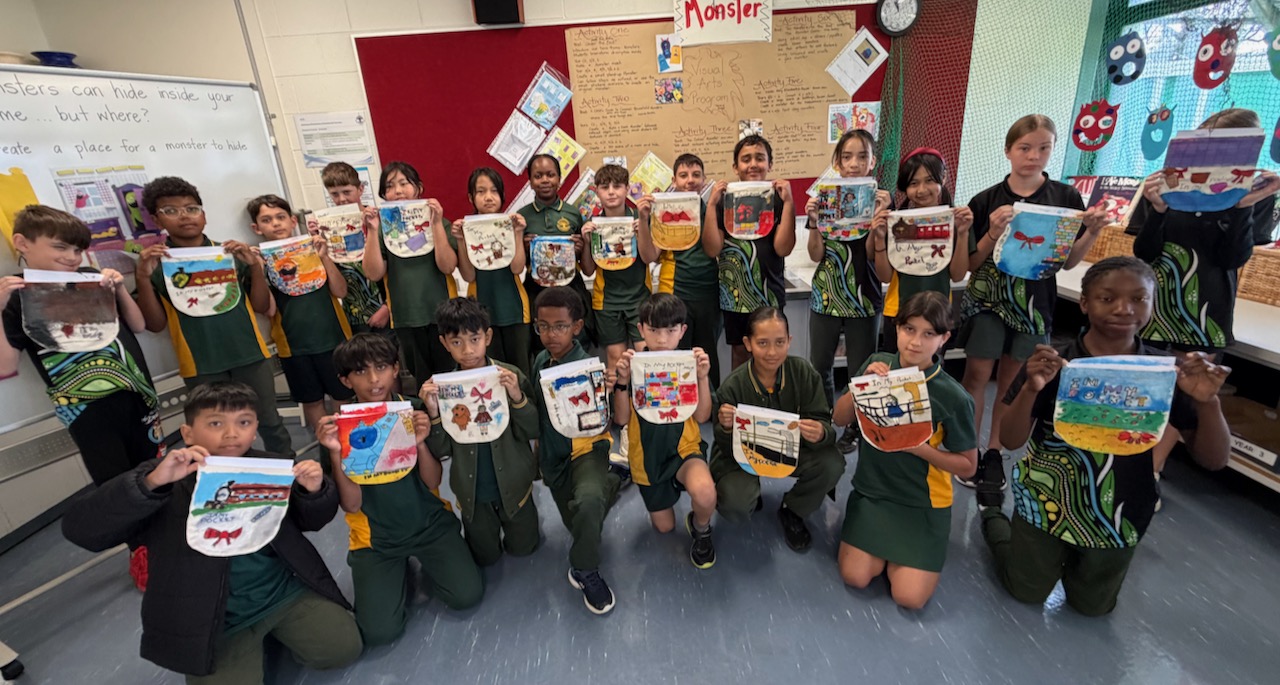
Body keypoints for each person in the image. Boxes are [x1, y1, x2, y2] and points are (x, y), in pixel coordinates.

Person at [61, 382, 362, 684]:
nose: (231, 434)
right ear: (188, 433)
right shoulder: (165, 478)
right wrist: (149, 484)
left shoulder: (271, 467)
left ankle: (279, 634)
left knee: (343, 648)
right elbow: (81, 530)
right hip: (214, 620)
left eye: (243, 422)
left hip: (280, 593)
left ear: (255, 428)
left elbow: (311, 521)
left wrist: (314, 491)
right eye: (216, 423)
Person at [984, 257, 1231, 615]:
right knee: (1024, 590)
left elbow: (1214, 460)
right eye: (1107, 298)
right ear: (1084, 303)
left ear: (1152, 304)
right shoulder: (1052, 363)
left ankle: (1062, 563)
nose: (1123, 309)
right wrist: (1031, 389)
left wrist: (1208, 403)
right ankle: (992, 518)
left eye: (1138, 299)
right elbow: (1010, 439)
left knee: (1094, 607)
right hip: (1046, 500)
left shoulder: (1166, 375)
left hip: (1120, 511)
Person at [1, 205, 164, 590]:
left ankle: (170, 536)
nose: (72, 257)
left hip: (137, 394)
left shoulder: (91, 279)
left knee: (156, 467)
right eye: (60, 247)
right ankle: (140, 549)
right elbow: (5, 366)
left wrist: (118, 288)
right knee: (116, 482)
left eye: (77, 250)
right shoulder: (17, 294)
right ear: (22, 243)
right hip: (85, 409)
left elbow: (138, 325)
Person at [955, 115, 1107, 493]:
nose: (1033, 156)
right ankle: (969, 449)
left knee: (1013, 380)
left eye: (1043, 148)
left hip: (1035, 305)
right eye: (1024, 148)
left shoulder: (1066, 199)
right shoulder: (986, 200)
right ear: (1008, 151)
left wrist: (1092, 231)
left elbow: (1067, 262)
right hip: (988, 300)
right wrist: (992, 232)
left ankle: (995, 452)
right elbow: (970, 264)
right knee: (976, 375)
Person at [315, 333, 482, 645]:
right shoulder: (339, 427)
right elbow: (351, 505)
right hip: (375, 541)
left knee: (467, 595)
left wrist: (419, 443)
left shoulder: (414, 410)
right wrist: (336, 453)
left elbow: (433, 482)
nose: (374, 380)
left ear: (395, 368)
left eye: (381, 367)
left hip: (429, 525)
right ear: (345, 380)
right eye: (360, 371)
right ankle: (395, 569)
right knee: (380, 632)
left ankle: (422, 562)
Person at [833, 292, 977, 609]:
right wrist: (860, 387)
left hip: (922, 502)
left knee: (909, 598)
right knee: (855, 576)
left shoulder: (953, 396)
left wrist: (918, 449)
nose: (915, 342)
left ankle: (906, 553)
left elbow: (968, 466)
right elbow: (839, 418)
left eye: (929, 333)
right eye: (909, 329)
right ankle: (875, 545)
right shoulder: (877, 364)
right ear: (897, 328)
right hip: (873, 492)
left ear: (944, 338)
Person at [133, 176, 294, 458]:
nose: (184, 216)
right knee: (213, 431)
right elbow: (155, 324)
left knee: (269, 420)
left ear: (204, 215)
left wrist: (254, 268)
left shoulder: (229, 254)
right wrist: (143, 278)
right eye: (171, 211)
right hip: (200, 362)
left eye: (191, 208)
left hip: (249, 354)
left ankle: (287, 474)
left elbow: (260, 306)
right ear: (157, 220)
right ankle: (226, 481)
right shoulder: (157, 263)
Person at [1131, 108, 1280, 355]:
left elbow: (1232, 259)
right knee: (1142, 375)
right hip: (1153, 305)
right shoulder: (1163, 186)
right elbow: (1144, 254)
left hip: (1207, 313)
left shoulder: (1255, 193)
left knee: (1195, 379)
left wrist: (1243, 207)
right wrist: (1158, 210)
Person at [530, 286, 630, 614]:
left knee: (588, 506)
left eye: (560, 326)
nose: (550, 334)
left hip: (586, 450)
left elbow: (615, 420)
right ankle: (615, 477)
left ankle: (585, 570)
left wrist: (613, 389)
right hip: (554, 456)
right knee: (581, 523)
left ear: (576, 327)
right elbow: (539, 416)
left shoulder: (591, 368)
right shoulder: (540, 361)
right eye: (543, 326)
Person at [711, 307, 844, 551]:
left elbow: (824, 420)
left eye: (780, 342)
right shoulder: (733, 386)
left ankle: (793, 509)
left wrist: (821, 432)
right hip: (744, 454)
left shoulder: (803, 372)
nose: (772, 352)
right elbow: (721, 449)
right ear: (748, 344)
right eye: (762, 343)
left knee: (832, 463)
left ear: (789, 341)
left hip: (791, 448)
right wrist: (726, 428)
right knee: (735, 503)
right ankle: (750, 494)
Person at [421, 297, 541, 566]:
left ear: (487, 337)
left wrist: (517, 396)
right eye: (456, 342)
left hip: (516, 484)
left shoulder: (509, 375)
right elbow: (441, 450)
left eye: (474, 339)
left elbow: (533, 428)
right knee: (485, 557)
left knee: (525, 547)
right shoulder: (441, 389)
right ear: (444, 343)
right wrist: (433, 413)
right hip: (472, 493)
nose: (467, 350)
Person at [610, 293, 717, 568]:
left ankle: (701, 528)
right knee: (665, 527)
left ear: (682, 331)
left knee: (705, 493)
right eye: (654, 330)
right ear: (641, 329)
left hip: (684, 449)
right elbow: (621, 419)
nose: (661, 339)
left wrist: (702, 377)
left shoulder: (689, 363)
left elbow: (703, 416)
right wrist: (622, 381)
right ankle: (663, 494)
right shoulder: (633, 366)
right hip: (647, 458)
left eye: (670, 331)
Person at [805, 129, 890, 453]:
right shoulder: (825, 199)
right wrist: (814, 221)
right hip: (826, 294)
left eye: (862, 156)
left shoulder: (881, 201)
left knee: (861, 369)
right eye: (847, 157)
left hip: (864, 296)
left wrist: (878, 222)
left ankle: (856, 427)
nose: (854, 164)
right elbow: (816, 254)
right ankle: (824, 420)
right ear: (837, 163)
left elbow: (871, 256)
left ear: (873, 161)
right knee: (820, 365)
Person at [248, 194, 353, 431]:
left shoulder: (314, 250)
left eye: (280, 217)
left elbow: (341, 291)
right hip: (293, 346)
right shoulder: (259, 261)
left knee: (342, 395)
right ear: (256, 228)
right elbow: (267, 309)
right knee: (311, 400)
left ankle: (347, 444)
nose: (275, 224)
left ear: (293, 221)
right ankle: (326, 447)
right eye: (266, 220)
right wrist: (258, 269)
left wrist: (324, 257)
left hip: (333, 338)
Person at [702, 135, 797, 370]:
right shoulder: (723, 201)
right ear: (735, 167)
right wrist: (712, 205)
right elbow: (712, 249)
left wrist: (789, 204)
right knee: (740, 353)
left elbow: (783, 248)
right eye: (746, 159)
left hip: (769, 293)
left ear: (770, 164)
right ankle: (742, 395)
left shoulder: (778, 199)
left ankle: (770, 394)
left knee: (771, 354)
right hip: (735, 295)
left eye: (759, 158)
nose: (753, 164)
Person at [362, 161, 460, 383]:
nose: (397, 191)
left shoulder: (440, 222)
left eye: (404, 183)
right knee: (422, 379)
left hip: (442, 313)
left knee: (451, 375)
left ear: (418, 188)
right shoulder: (384, 229)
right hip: (405, 315)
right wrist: (373, 230)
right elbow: (373, 273)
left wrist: (436, 224)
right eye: (389, 186)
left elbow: (447, 266)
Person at [870, 148, 972, 353]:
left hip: (937, 313)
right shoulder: (895, 223)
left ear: (943, 178)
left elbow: (957, 275)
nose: (922, 190)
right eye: (913, 183)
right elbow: (885, 277)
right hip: (898, 311)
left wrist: (962, 234)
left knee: (931, 369)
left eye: (929, 180)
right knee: (896, 368)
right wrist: (879, 237)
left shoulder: (957, 220)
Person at [645, 153, 723, 388]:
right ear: (674, 180)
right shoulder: (663, 209)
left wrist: (711, 206)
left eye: (696, 175)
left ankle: (710, 402)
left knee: (707, 352)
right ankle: (675, 400)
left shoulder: (712, 208)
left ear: (704, 179)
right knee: (676, 353)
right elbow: (652, 255)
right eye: (683, 175)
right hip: (675, 291)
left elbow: (713, 250)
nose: (690, 180)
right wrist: (644, 216)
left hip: (708, 291)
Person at [452, 167, 532, 376]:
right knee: (489, 372)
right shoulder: (466, 229)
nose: (488, 197)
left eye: (494, 191)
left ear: (502, 195)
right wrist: (460, 240)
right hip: (481, 312)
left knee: (520, 371)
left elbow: (517, 268)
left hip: (515, 309)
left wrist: (518, 233)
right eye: (481, 191)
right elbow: (468, 275)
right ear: (471, 197)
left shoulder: (511, 224)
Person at [517, 154, 595, 349]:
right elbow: (516, 265)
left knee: (576, 344)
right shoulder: (522, 217)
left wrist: (580, 248)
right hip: (536, 290)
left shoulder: (573, 213)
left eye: (550, 175)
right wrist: (522, 246)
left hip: (571, 288)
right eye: (538, 176)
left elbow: (587, 267)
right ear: (530, 182)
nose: (545, 180)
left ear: (559, 179)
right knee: (541, 345)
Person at [582, 164, 650, 371]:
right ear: (597, 191)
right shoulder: (593, 224)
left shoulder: (639, 218)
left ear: (627, 189)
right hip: (607, 301)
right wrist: (587, 242)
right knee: (615, 359)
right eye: (605, 187)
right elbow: (588, 270)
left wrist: (643, 229)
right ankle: (619, 393)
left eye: (617, 186)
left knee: (645, 354)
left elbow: (649, 258)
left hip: (639, 297)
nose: (611, 192)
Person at [321, 162, 391, 337]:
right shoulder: (328, 228)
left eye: (347, 192)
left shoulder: (379, 220)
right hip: (354, 314)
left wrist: (388, 307)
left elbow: (396, 269)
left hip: (387, 310)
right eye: (335, 194)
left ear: (360, 189)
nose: (341, 199)